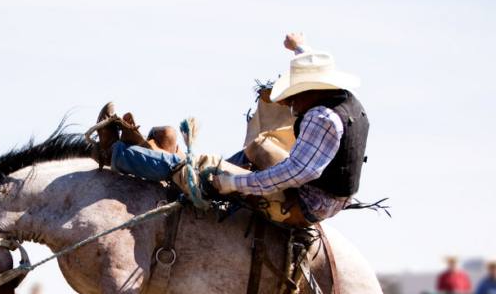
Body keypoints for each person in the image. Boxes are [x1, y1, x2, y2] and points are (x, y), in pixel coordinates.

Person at [89, 32, 368, 226]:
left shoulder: (322, 118)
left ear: (314, 89)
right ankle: (176, 169)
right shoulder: (339, 99)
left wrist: (234, 183)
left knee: (205, 166)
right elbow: (313, 72)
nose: (291, 103)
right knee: (259, 146)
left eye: (295, 94)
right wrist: (300, 48)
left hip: (302, 203)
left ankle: (114, 154)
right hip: (319, 194)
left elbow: (294, 173)